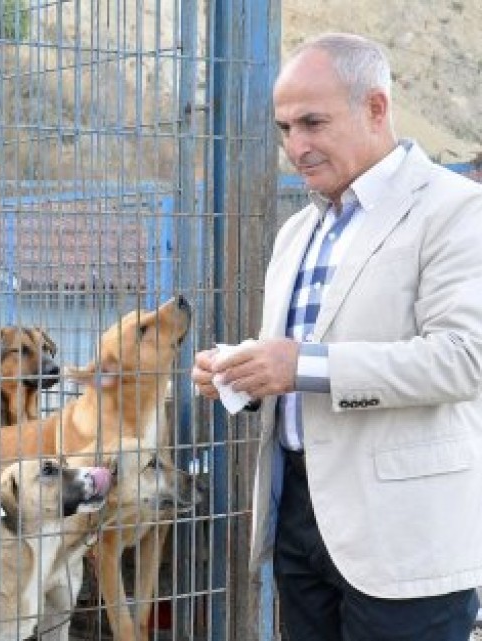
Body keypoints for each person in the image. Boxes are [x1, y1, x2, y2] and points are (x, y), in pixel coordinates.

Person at [191, 32, 482, 640]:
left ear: (376, 108)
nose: (296, 147)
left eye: (313, 123)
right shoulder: (297, 231)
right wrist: (239, 376)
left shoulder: (457, 209)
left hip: (404, 536)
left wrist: (299, 366)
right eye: (284, 129)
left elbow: (465, 359)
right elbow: (297, 360)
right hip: (298, 514)